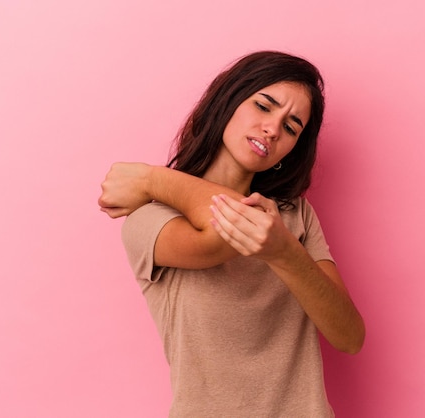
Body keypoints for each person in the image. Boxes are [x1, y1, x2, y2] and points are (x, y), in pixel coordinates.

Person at [98, 50, 365, 417]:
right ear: (228, 101)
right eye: (264, 106)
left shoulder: (294, 216)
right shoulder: (151, 216)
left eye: (291, 128)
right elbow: (219, 237)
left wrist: (150, 177)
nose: (272, 129)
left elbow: (349, 337)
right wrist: (157, 184)